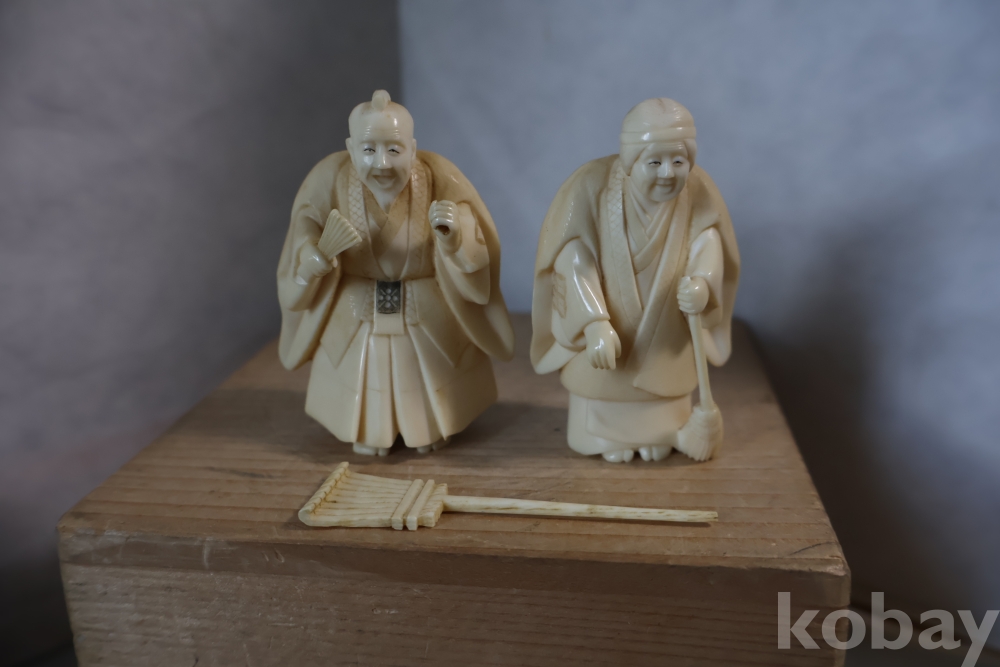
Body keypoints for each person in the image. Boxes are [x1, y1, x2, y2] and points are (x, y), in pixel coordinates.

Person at [277, 90, 514, 456]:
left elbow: (469, 225)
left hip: (427, 306)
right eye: (368, 150)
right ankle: (366, 432)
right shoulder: (330, 178)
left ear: (413, 148)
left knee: (429, 372)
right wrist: (311, 256)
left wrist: (454, 239)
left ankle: (434, 426)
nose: (382, 164)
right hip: (355, 308)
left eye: (394, 149)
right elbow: (306, 224)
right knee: (361, 368)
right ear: (350, 148)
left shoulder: (438, 177)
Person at [531, 98, 740, 463]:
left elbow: (709, 242)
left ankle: (665, 434)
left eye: (679, 161)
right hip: (606, 341)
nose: (668, 173)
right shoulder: (590, 185)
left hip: (665, 337)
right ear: (630, 160)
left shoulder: (699, 190)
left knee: (664, 398)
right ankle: (603, 438)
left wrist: (703, 286)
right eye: (654, 162)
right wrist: (593, 323)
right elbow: (572, 256)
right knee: (603, 388)